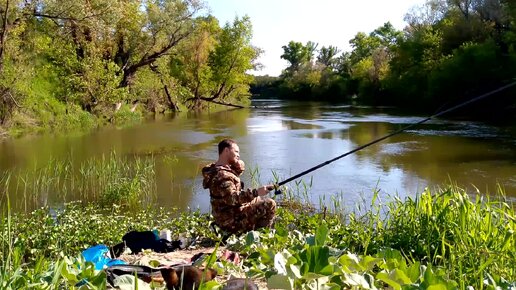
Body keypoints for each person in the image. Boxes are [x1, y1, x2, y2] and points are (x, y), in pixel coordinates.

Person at [202, 139, 276, 234]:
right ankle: (259, 237)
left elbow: (236, 172)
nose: (238, 155)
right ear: (226, 151)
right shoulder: (222, 176)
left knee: (258, 199)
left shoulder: (219, 169)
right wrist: (256, 192)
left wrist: (237, 163)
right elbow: (232, 199)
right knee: (269, 204)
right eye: (236, 151)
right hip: (230, 223)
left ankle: (254, 231)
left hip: (228, 215)